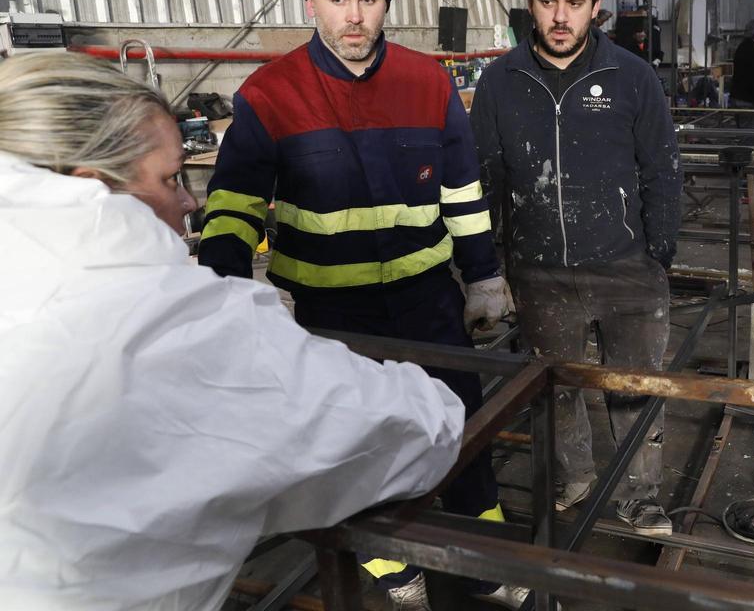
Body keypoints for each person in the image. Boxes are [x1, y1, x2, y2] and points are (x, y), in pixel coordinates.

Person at [0, 52, 464, 611]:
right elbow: (404, 433)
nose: (189, 200)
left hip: (416, 293)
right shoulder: (175, 323)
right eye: (171, 178)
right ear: (93, 185)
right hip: (339, 309)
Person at [197, 0, 521, 609]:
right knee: (349, 441)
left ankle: (489, 554)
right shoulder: (269, 95)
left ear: (386, 3)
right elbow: (232, 207)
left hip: (427, 304)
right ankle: (386, 562)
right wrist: (228, 290)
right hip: (323, 317)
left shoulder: (427, 82)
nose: (354, 15)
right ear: (311, 5)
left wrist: (484, 277)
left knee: (459, 426)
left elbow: (461, 192)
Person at [470, 0, 682, 535]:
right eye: (548, 2)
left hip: (626, 271)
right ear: (530, 6)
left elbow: (662, 169)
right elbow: (484, 177)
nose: (561, 17)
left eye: (575, 3)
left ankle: (641, 496)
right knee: (555, 389)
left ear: (596, 9)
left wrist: (656, 254)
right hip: (540, 274)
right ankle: (577, 476)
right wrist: (490, 268)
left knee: (634, 389)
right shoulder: (500, 82)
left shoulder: (631, 77)